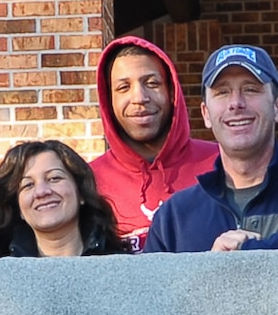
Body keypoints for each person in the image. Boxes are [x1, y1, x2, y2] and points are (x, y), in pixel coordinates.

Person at [143, 45, 278, 253]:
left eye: (250, 89)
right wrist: (210, 268)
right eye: (222, 92)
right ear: (206, 114)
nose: (236, 103)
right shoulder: (175, 218)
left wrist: (259, 251)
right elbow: (152, 286)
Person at [89, 37, 217, 250]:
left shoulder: (220, 164)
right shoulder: (88, 182)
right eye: (123, 87)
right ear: (108, 100)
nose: (139, 97)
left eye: (152, 83)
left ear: (171, 92)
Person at [0, 140, 125, 258]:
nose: (42, 192)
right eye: (28, 185)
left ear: (81, 193)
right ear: (19, 208)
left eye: (54, 178)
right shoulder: (0, 276)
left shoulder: (122, 267)